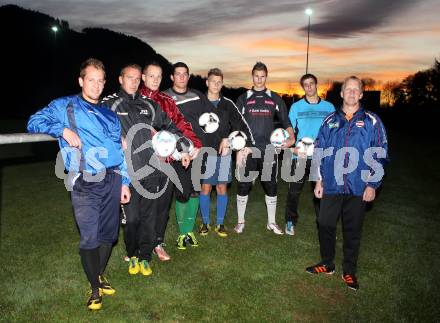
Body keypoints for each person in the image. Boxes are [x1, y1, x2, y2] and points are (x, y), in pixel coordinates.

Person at [27, 58, 131, 310]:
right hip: (85, 179)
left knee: (109, 234)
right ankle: (94, 289)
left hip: (113, 178)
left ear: (104, 84)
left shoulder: (110, 114)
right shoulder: (66, 106)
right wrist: (61, 130)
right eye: (90, 80)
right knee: (89, 236)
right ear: (81, 80)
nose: (95, 85)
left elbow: (120, 149)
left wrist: (125, 182)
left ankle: (99, 274)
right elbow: (33, 122)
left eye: (100, 81)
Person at [102, 64, 186, 275]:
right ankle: (132, 253)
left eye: (137, 78)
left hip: (152, 171)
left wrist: (180, 147)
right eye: (129, 78)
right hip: (125, 174)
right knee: (132, 220)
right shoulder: (109, 104)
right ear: (120, 79)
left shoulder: (149, 105)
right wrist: (115, 138)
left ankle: (145, 256)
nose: (133, 82)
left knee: (149, 217)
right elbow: (97, 129)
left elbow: (171, 127)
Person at [306, 76, 388, 291]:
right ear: (341, 93)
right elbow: (319, 150)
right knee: (324, 223)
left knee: (352, 230)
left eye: (356, 90)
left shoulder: (372, 121)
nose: (351, 93)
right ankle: (327, 263)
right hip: (332, 183)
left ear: (361, 94)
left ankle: (349, 271)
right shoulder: (329, 121)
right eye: (348, 89)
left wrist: (372, 184)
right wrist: (318, 179)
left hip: (358, 186)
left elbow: (380, 154)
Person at [139, 61, 202, 257]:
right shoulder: (133, 98)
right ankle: (138, 246)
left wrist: (194, 144)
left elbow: (180, 124)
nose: (155, 80)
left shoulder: (166, 100)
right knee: (139, 207)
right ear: (143, 77)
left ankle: (158, 243)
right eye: (151, 76)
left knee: (162, 206)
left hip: (165, 162)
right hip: (140, 162)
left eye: (158, 76)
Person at [234, 62, 295, 234]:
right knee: (244, 185)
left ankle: (271, 222)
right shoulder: (243, 98)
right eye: (256, 76)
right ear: (252, 76)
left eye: (262, 76)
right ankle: (240, 221)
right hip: (249, 149)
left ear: (266, 77)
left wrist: (292, 137)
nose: (259, 80)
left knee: (270, 186)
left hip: (269, 150)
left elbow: (286, 121)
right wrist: (239, 149)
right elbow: (237, 125)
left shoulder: (274, 98)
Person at [198, 68, 253, 237]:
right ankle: (205, 223)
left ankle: (220, 223)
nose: (216, 84)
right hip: (205, 152)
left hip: (223, 153)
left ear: (222, 84)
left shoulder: (227, 104)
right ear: (207, 82)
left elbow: (241, 126)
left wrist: (230, 139)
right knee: (205, 187)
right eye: (212, 81)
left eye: (219, 82)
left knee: (222, 187)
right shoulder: (199, 102)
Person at [163, 62, 212, 249]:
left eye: (185, 74)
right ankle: (182, 233)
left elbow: (209, 119)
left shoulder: (198, 96)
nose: (182, 77)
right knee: (182, 192)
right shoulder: (165, 97)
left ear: (188, 77)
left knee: (195, 191)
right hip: (175, 152)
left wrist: (201, 145)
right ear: (172, 77)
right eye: (178, 74)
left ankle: (188, 232)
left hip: (196, 151)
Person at [284, 74, 335, 235]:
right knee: (293, 192)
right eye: (305, 85)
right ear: (303, 87)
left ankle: (324, 226)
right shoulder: (296, 107)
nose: (309, 87)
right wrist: (291, 150)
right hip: (300, 156)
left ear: (316, 85)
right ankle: (290, 221)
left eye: (311, 83)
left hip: (320, 157)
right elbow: (289, 131)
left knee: (321, 194)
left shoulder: (329, 107)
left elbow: (333, 132)